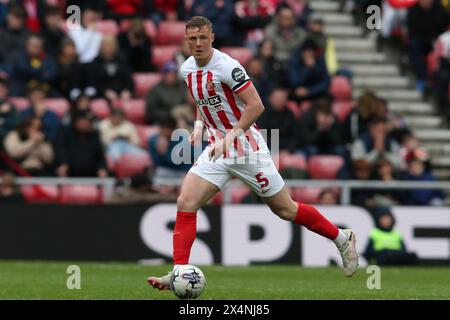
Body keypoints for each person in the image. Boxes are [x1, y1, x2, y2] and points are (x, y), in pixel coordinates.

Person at [147, 16, 359, 291]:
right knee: (186, 202)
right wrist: (199, 126)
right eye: (192, 39)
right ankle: (179, 272)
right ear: (186, 41)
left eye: (203, 38)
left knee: (285, 209)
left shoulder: (227, 67)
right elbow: (203, 101)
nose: (198, 44)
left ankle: (342, 237)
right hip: (217, 150)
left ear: (212, 38)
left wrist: (231, 136)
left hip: (247, 148)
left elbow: (256, 106)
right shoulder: (188, 69)